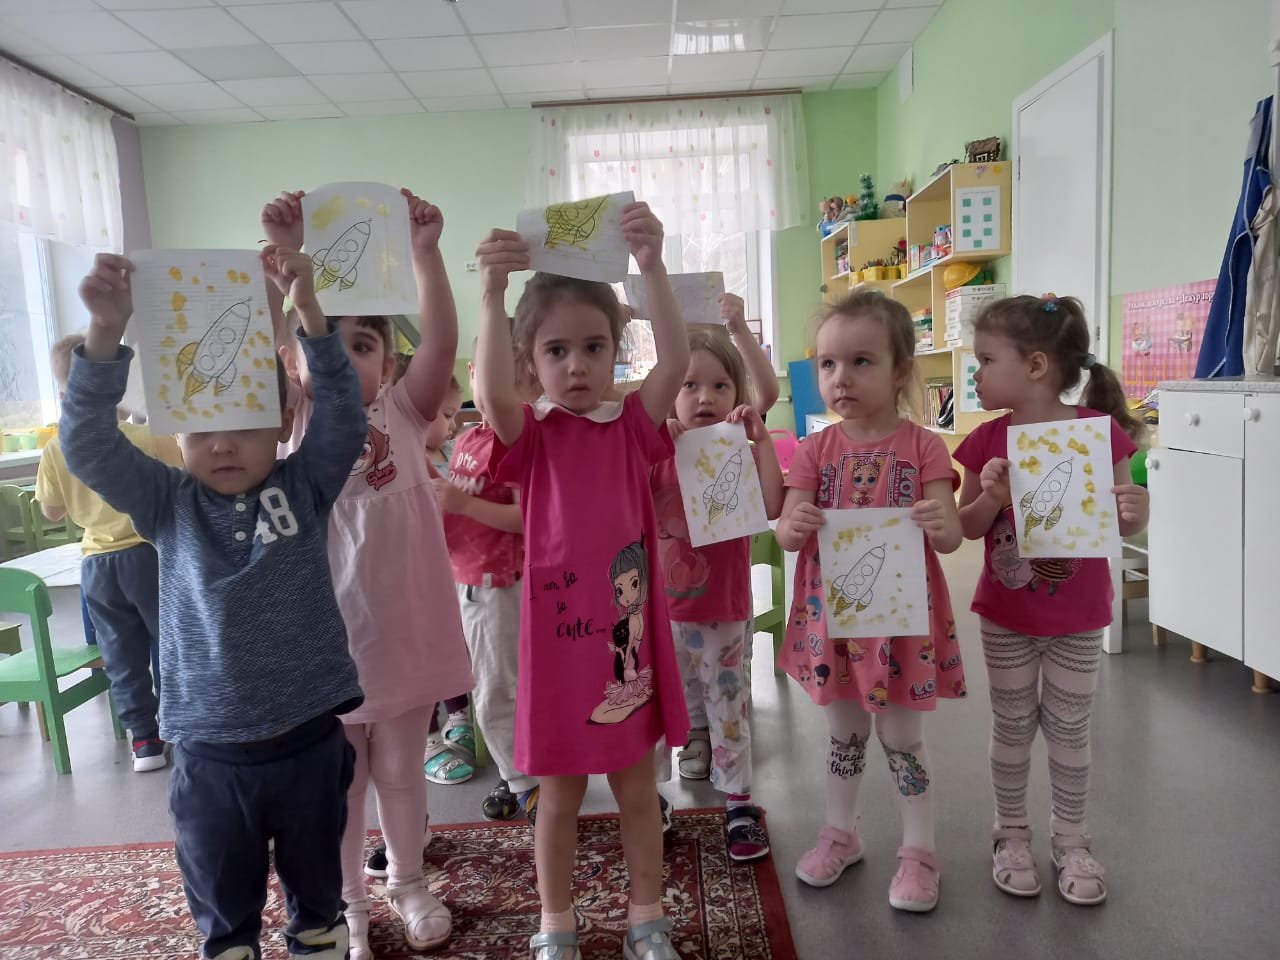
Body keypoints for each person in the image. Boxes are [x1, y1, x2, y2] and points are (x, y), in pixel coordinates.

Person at [61, 247, 366, 960]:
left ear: (284, 418)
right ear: (175, 431)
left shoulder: (304, 486)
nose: (223, 444)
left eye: (244, 423)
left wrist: (308, 312)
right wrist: (105, 332)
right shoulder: (167, 501)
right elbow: (87, 444)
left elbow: (344, 415)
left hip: (308, 741)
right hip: (208, 752)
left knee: (318, 899)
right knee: (224, 912)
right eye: (201, 428)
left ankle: (319, 938)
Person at [473, 202, 691, 960]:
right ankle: (556, 923)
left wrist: (652, 268)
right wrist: (491, 295)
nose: (575, 365)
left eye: (593, 347)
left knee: (637, 791)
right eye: (556, 350)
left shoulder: (630, 424)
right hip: (558, 656)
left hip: (624, 647)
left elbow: (675, 364)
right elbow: (491, 396)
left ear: (615, 350)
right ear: (530, 359)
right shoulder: (530, 435)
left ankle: (646, 918)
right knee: (558, 798)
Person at [263, 188, 472, 958]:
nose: (347, 357)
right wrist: (280, 264)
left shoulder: (404, 415)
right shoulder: (288, 424)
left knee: (403, 771)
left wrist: (426, 253)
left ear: (387, 364)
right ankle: (349, 901)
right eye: (328, 342)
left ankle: (408, 881)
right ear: (294, 360)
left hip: (405, 633)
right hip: (326, 646)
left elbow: (442, 343)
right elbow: (249, 356)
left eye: (363, 344)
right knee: (341, 782)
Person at [954, 294, 1149, 906]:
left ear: (1036, 365)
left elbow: (1123, 521)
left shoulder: (1099, 435)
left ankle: (1071, 838)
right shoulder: (985, 439)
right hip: (1008, 614)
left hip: (1079, 617)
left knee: (1069, 731)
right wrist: (989, 497)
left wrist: (1137, 511)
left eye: (986, 360)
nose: (976, 374)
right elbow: (965, 528)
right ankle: (1010, 834)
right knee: (1012, 727)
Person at [775, 290, 966, 913]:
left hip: (901, 622)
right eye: (828, 364)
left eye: (861, 361)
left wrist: (939, 521)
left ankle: (920, 852)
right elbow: (784, 534)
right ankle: (841, 833)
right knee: (843, 733)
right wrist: (795, 522)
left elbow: (952, 535)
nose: (841, 378)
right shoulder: (814, 450)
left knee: (902, 736)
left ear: (900, 370)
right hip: (833, 619)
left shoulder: (925, 447)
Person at [650, 298, 783, 862]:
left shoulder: (736, 451)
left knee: (729, 706)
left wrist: (761, 441)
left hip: (723, 610)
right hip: (659, 613)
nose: (704, 397)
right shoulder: (655, 452)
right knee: (659, 710)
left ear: (736, 394)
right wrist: (654, 436)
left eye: (719, 386)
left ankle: (739, 803)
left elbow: (774, 503)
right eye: (689, 386)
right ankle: (650, 799)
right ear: (668, 393)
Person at [36, 334, 184, 772]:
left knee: (121, 654)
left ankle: (144, 741)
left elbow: (50, 511)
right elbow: (182, 481)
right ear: (117, 386)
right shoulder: (147, 436)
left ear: (65, 393)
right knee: (172, 642)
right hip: (149, 553)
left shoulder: (57, 447)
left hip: (96, 566)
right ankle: (181, 726)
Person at [432, 343, 539, 821]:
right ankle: (514, 771)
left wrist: (464, 505)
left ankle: (525, 782)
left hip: (501, 585)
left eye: (514, 386)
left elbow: (530, 517)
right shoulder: (469, 437)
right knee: (493, 688)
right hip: (467, 581)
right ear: (473, 373)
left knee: (498, 691)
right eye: (491, 381)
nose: (499, 396)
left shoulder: (519, 441)